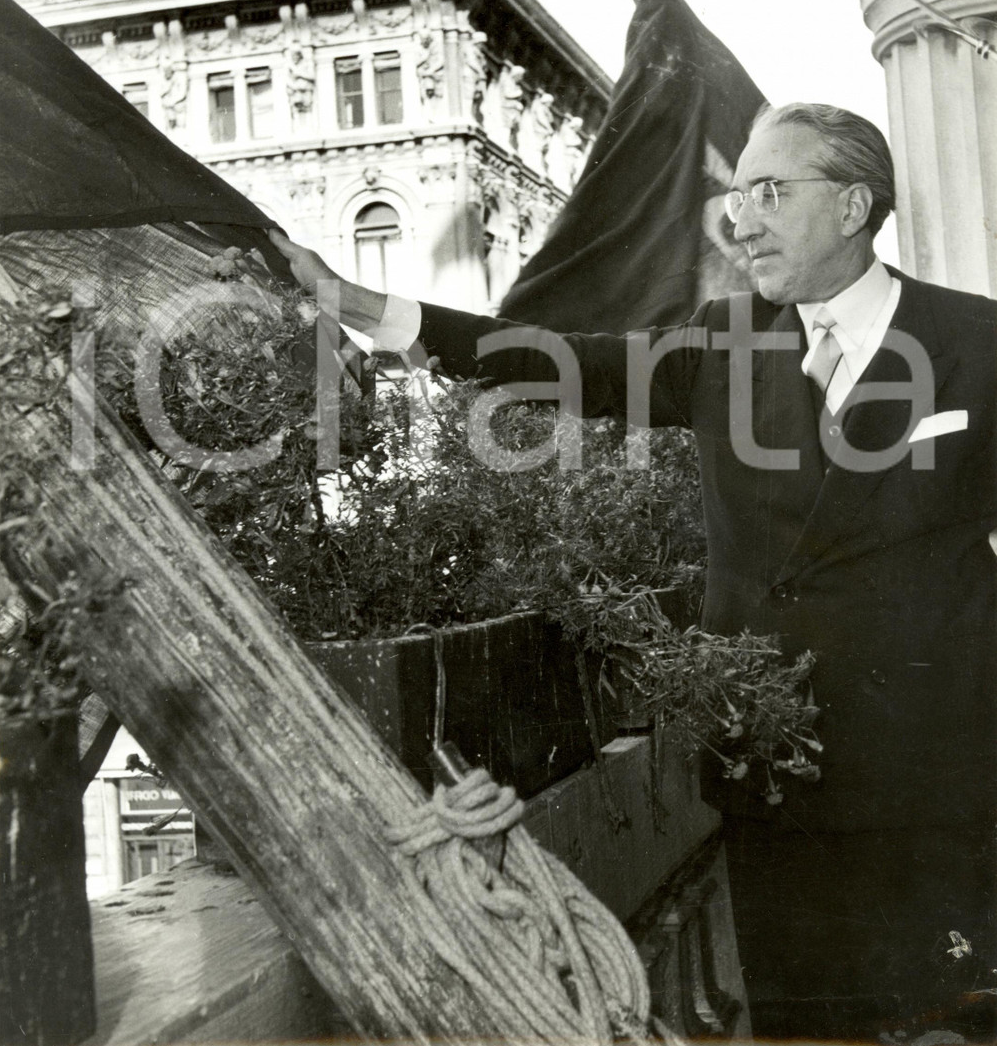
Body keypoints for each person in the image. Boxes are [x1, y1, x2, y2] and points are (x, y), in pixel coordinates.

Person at [270, 103, 996, 1043]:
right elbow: (560, 363)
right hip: (775, 780)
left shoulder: (979, 345)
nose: (743, 220)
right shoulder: (722, 339)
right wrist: (360, 304)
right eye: (739, 197)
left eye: (772, 192)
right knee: (808, 1026)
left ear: (855, 204)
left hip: (936, 782)